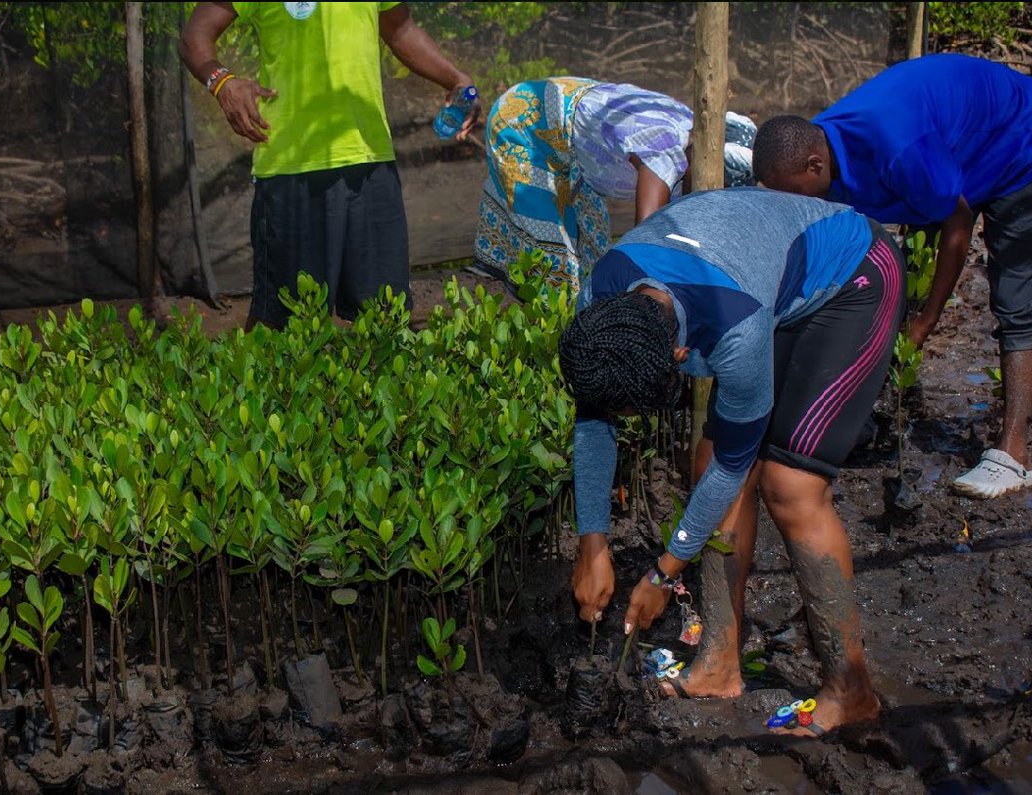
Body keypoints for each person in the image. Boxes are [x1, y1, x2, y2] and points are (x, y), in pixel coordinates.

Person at [560, 187, 905, 737]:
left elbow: (737, 462)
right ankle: (719, 664)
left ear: (680, 357)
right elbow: (592, 419)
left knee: (789, 484)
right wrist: (592, 543)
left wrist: (662, 572)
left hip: (853, 274)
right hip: (754, 274)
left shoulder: (734, 329)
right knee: (708, 464)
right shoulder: (600, 302)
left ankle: (852, 690)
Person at [752, 54, 1032, 499]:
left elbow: (958, 225)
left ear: (815, 166)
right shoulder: (815, 142)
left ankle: (1015, 456)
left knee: (1013, 296)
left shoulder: (897, 150)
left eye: (790, 192)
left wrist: (923, 322)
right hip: (950, 151)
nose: (790, 203)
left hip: (1017, 137)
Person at [181, 2, 482, 329]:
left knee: (385, 317)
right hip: (292, 166)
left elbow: (400, 30)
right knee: (284, 326)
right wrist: (222, 83)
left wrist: (454, 77)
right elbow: (194, 36)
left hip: (371, 159)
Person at [473, 77, 757, 292]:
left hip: (578, 139)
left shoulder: (696, 131)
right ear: (700, 155)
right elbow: (646, 241)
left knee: (592, 253)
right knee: (552, 264)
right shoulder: (663, 152)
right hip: (529, 120)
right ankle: (548, 343)